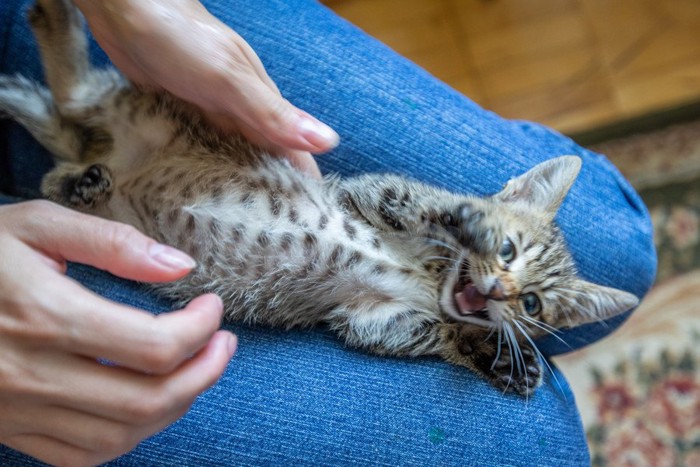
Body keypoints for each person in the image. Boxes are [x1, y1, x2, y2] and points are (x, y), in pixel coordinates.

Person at [0, 0, 656, 465]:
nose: (506, 287)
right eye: (509, 248)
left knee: (618, 245)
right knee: (533, 442)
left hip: (168, 236)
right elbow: (372, 198)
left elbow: (365, 327)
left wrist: (464, 343)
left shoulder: (411, 311)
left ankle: (75, 171)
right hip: (204, 171)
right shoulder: (424, 228)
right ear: (508, 200)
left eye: (530, 306)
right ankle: (73, 105)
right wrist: (451, 217)